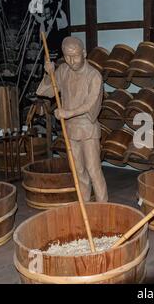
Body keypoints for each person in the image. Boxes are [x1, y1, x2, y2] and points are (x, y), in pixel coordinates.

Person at [36, 36, 108, 203]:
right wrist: (49, 74)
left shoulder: (94, 76)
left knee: (93, 170)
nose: (71, 61)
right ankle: (84, 206)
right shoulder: (63, 71)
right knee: (78, 171)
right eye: (67, 56)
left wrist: (68, 112)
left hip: (88, 129)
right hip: (70, 129)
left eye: (75, 55)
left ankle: (103, 207)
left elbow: (91, 104)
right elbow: (45, 91)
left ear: (84, 53)